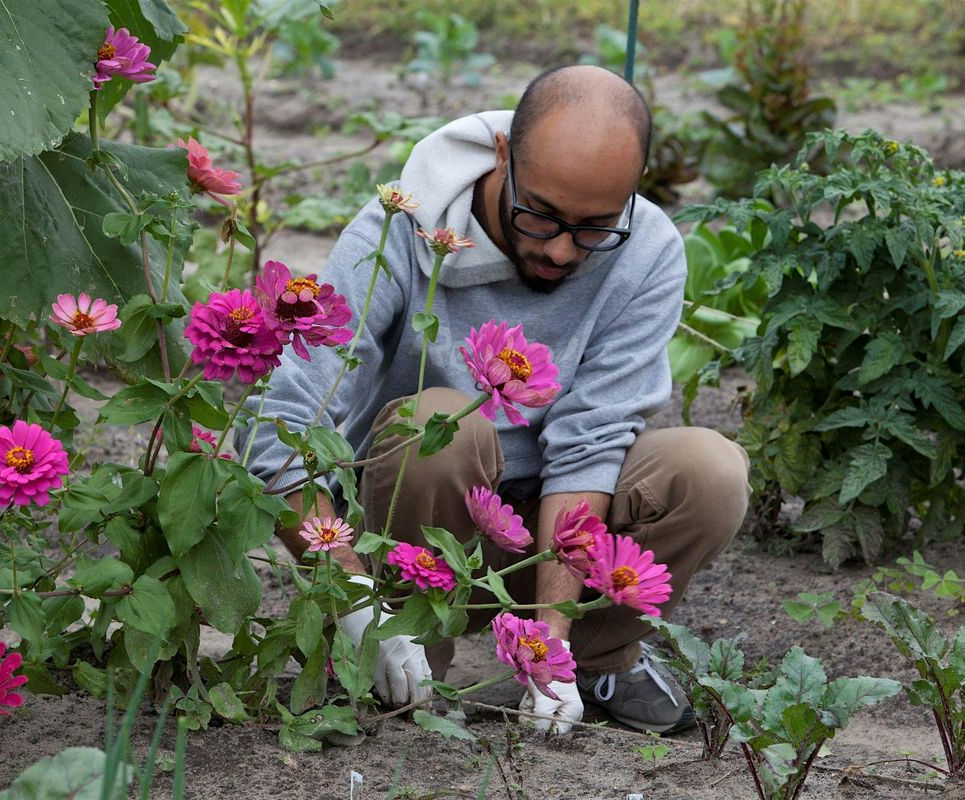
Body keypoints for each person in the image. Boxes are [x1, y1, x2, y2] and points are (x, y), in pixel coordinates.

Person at [240, 65, 750, 735]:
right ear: (504, 155)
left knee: (710, 470)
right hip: (420, 533)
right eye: (541, 215)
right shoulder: (402, 225)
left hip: (552, 538)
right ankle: (404, 656)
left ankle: (592, 664)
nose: (563, 251)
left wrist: (552, 647)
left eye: (595, 227)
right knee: (441, 424)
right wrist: (351, 597)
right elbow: (276, 432)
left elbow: (590, 445)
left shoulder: (647, 252)